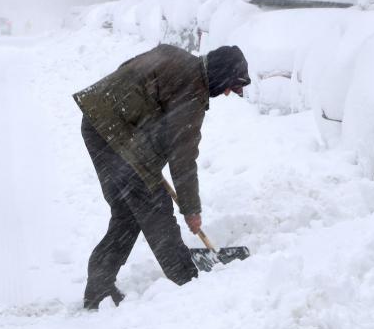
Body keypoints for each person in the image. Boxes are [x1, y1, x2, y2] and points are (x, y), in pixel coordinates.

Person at [73, 44, 250, 310]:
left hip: (99, 123)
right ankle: (187, 281)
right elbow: (183, 156)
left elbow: (131, 74)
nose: (226, 93)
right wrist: (191, 209)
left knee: (127, 213)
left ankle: (99, 288)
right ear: (221, 74)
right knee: (154, 206)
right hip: (114, 132)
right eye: (229, 86)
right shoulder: (191, 89)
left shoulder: (178, 59)